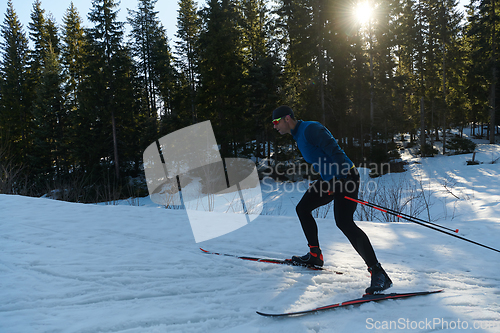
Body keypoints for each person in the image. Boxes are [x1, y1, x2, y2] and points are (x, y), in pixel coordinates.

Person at [272, 105, 392, 294]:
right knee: (302, 209)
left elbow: (335, 151)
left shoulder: (310, 129)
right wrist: (322, 181)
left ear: (287, 118)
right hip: (330, 180)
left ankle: (378, 272)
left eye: (276, 122)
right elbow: (322, 159)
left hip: (346, 177)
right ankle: (314, 255)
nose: (274, 126)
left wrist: (340, 179)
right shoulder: (298, 136)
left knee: (344, 222)